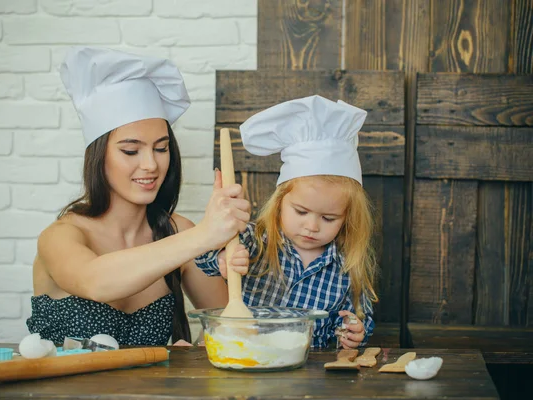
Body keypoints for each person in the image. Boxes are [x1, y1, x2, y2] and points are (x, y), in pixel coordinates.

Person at [26, 47, 250, 346]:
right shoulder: (61, 236)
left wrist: (190, 352)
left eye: (161, 148)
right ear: (98, 155)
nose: (151, 165)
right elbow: (97, 282)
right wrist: (207, 235)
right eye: (131, 150)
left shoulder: (178, 231)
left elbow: (229, 329)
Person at [195, 95, 378, 349]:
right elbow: (202, 255)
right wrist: (222, 259)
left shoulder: (347, 267)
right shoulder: (254, 240)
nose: (312, 226)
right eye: (301, 212)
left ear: (347, 217)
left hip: (309, 374)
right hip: (249, 358)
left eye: (328, 218)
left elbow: (359, 319)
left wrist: (354, 331)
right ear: (280, 201)